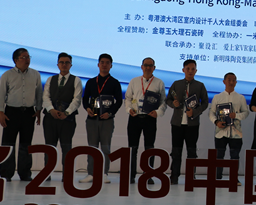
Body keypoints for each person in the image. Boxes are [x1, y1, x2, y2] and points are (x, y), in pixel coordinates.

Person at [0, 48, 42, 181]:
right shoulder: (7, 75)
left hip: (29, 113)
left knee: (26, 144)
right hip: (11, 112)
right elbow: (1, 94)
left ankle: (25, 173)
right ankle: (6, 174)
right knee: (8, 144)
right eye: (24, 57)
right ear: (16, 60)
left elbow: (39, 93)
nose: (27, 60)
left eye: (28, 57)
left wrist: (38, 110)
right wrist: (0, 112)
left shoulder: (35, 74)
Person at [166, 59, 209, 185]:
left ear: (196, 71)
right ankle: (174, 176)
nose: (190, 71)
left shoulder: (200, 86)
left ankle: (191, 176)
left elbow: (205, 103)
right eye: (188, 69)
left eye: (193, 69)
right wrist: (173, 104)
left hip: (192, 124)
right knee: (176, 151)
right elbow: (168, 99)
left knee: (191, 151)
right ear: (183, 70)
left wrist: (195, 112)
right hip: (177, 123)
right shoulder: (176, 84)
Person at [82, 53, 123, 183]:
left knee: (105, 148)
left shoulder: (115, 83)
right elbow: (85, 99)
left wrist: (109, 113)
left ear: (111, 66)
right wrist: (87, 108)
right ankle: (91, 173)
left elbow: (119, 102)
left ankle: (104, 173)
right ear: (98, 64)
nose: (104, 65)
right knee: (92, 147)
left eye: (107, 63)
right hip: (92, 119)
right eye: (102, 62)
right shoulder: (91, 82)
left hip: (107, 120)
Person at [125, 57, 166, 184]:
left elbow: (163, 102)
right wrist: (129, 109)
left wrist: (158, 112)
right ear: (142, 67)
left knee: (149, 148)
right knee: (132, 148)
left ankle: (148, 175)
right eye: (146, 65)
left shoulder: (159, 83)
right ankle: (131, 175)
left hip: (150, 118)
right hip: (135, 117)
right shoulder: (134, 81)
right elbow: (127, 98)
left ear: (154, 68)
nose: (148, 68)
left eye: (150, 65)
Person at [42, 52, 82, 180]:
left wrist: (67, 112)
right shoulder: (50, 79)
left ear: (71, 65)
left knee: (66, 147)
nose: (64, 65)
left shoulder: (76, 80)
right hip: (50, 118)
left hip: (67, 120)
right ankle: (46, 174)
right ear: (58, 64)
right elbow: (45, 97)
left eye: (67, 62)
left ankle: (67, 175)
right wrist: (51, 110)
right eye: (62, 62)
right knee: (49, 147)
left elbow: (77, 99)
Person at [209, 72, 249, 185]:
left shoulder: (240, 98)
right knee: (219, 156)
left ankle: (234, 178)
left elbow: (246, 113)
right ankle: (217, 178)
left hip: (236, 132)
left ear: (236, 82)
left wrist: (236, 115)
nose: (231, 82)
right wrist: (216, 122)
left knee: (235, 156)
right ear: (224, 81)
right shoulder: (217, 97)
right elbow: (211, 113)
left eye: (233, 80)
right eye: (229, 80)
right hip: (220, 132)